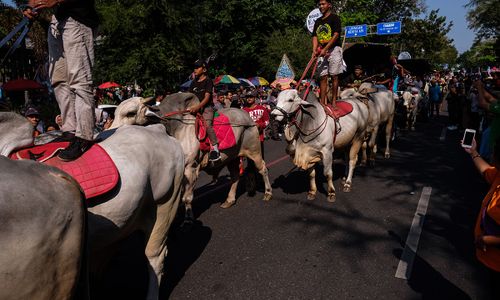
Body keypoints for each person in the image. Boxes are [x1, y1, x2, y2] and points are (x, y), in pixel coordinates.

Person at [24, 0, 99, 161]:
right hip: (57, 20)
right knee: (59, 80)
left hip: (77, 18)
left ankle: (84, 135)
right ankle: (70, 130)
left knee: (79, 79)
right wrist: (31, 7)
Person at [463, 137, 500, 298]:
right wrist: (473, 152)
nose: (491, 154)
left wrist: (488, 240)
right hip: (492, 263)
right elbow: (486, 171)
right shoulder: (499, 175)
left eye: (494, 151)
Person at [312, 0, 344, 106]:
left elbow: (335, 35)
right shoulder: (317, 21)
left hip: (334, 49)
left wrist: (326, 48)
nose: (321, 6)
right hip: (321, 51)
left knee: (334, 76)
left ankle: (334, 100)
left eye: (323, 4)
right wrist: (314, 49)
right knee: (322, 77)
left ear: (329, 5)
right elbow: (315, 36)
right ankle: (323, 102)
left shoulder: (335, 18)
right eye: (320, 4)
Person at [188, 59, 220, 161]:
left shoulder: (208, 81)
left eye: (197, 67)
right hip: (195, 109)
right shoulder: (193, 82)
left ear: (204, 69)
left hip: (207, 108)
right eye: (194, 67)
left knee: (207, 125)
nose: (195, 69)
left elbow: (207, 97)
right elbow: (189, 96)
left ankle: (215, 149)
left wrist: (198, 107)